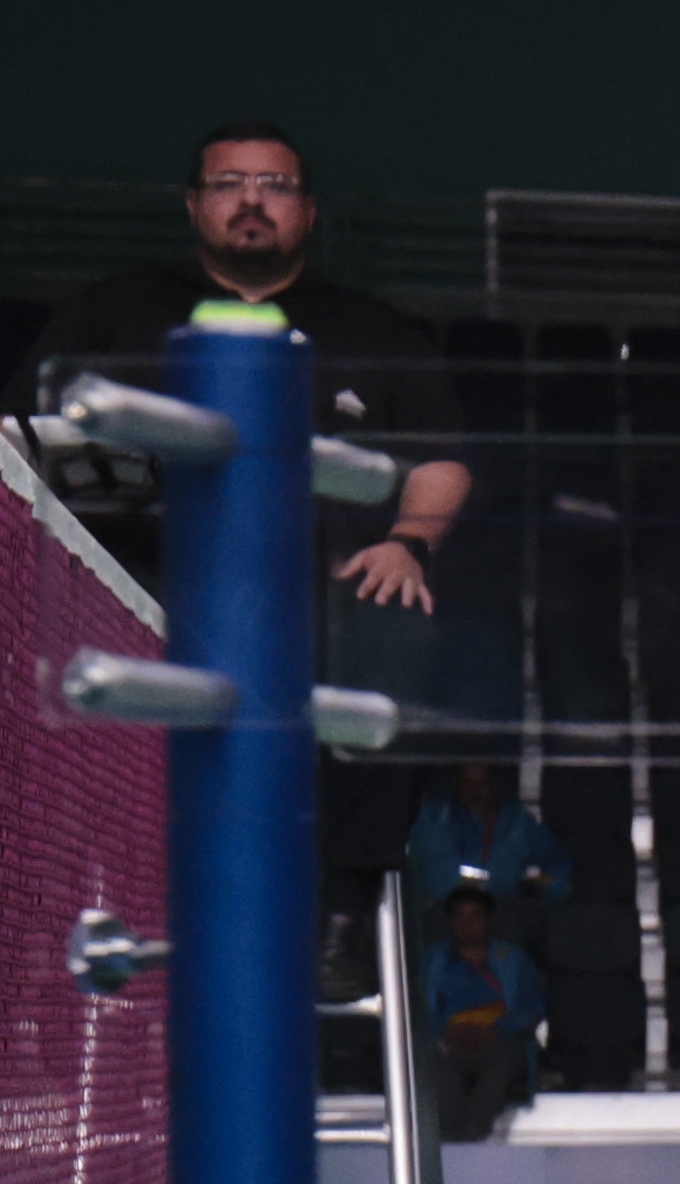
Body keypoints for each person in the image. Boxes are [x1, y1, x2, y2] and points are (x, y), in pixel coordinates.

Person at [9, 121, 473, 1000]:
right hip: (143, 590)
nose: (252, 201)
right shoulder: (114, 311)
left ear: (306, 211)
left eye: (275, 184)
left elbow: (441, 461)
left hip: (311, 594)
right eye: (230, 183)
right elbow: (21, 442)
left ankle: (332, 915)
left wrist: (407, 544)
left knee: (390, 621)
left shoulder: (372, 328)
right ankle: (72, 915)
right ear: (195, 204)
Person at [420, 877, 545, 1141]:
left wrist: (496, 1029)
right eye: (460, 917)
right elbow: (419, 1009)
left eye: (476, 916)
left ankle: (474, 1131)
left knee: (503, 1060)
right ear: (450, 921)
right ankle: (448, 1132)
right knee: (434, 1060)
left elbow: (534, 1009)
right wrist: (448, 1030)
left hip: (498, 1038)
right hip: (448, 1039)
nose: (468, 924)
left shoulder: (514, 959)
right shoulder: (431, 960)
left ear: (488, 920)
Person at [405, 762, 571, 946]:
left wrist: (533, 878)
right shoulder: (428, 819)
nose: (473, 791)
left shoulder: (518, 824)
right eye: (466, 783)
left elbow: (558, 879)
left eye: (481, 784)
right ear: (456, 784)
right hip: (437, 923)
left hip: (498, 925)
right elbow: (399, 864)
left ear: (494, 785)